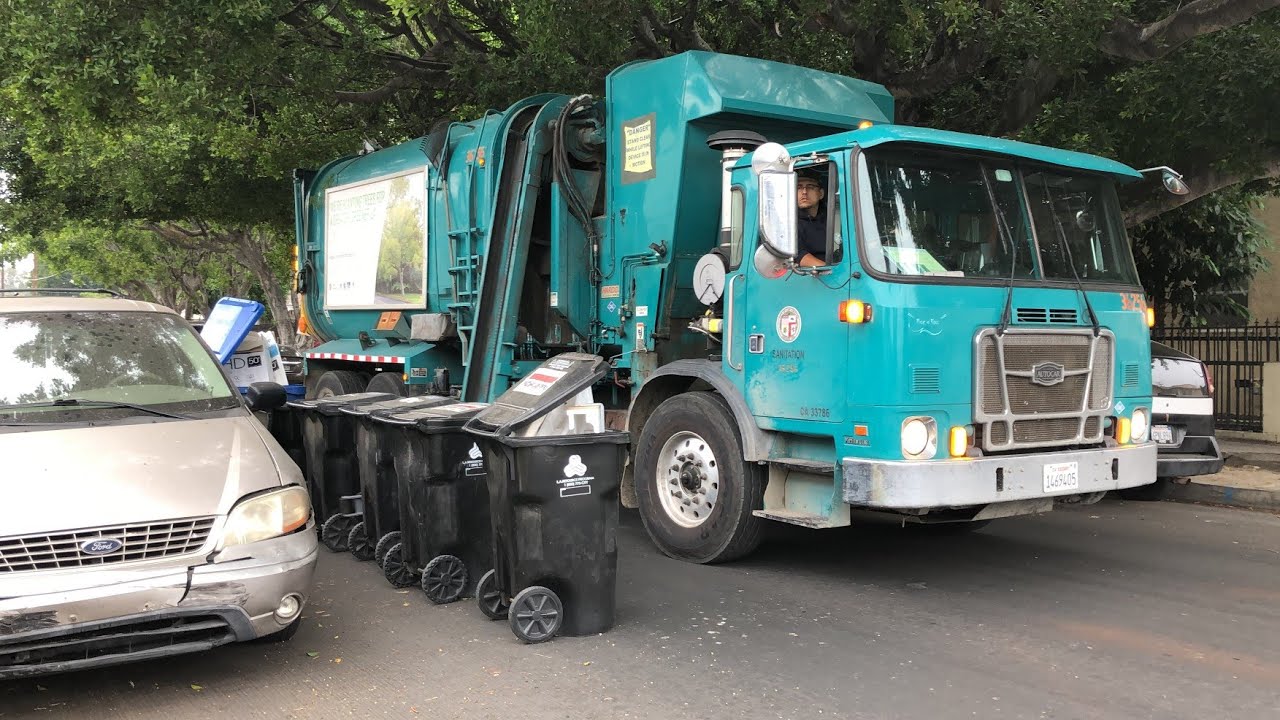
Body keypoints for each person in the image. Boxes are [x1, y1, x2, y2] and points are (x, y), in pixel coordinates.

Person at [795, 171, 828, 267]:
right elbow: (798, 255)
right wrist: (835, 273)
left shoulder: (831, 217)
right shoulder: (787, 222)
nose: (804, 192)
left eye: (810, 187)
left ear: (821, 194)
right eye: (798, 188)